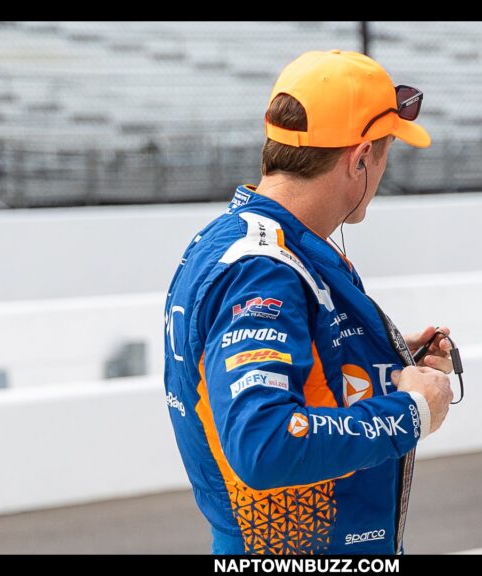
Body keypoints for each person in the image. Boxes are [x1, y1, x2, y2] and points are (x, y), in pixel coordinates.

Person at [163, 49, 455, 555]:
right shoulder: (263, 270)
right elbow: (265, 442)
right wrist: (411, 411)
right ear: (361, 157)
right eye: (386, 154)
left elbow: (284, 382)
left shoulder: (235, 239)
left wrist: (380, 359)